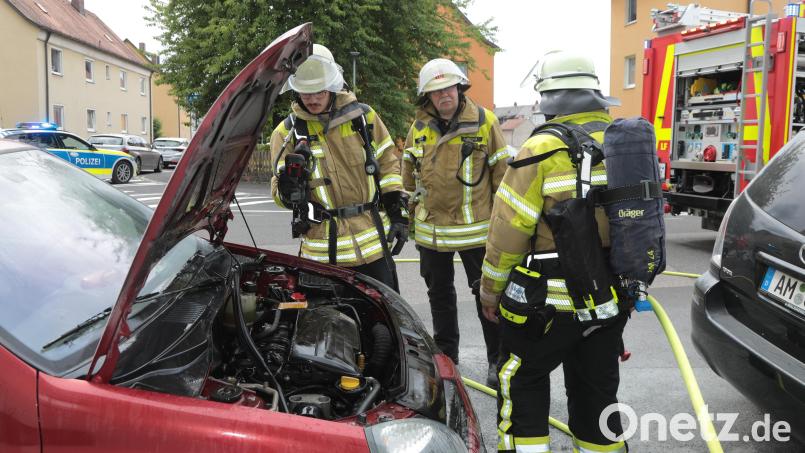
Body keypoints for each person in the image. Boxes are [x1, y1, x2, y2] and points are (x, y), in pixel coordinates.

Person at [479, 50, 628, 452]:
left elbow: (508, 232)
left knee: (522, 382)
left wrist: (490, 294)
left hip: (547, 306)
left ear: (547, 97)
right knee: (598, 395)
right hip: (610, 300)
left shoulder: (540, 148)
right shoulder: (622, 142)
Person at [402, 58, 508, 388]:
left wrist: (503, 226)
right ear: (427, 96)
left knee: (487, 297)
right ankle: (447, 357)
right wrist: (406, 217)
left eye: (448, 87)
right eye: (436, 91)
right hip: (432, 233)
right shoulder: (418, 128)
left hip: (477, 232)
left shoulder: (484, 122)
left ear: (460, 88)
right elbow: (407, 177)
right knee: (440, 297)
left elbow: (502, 176)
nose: (444, 94)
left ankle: (497, 359)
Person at [270, 44, 408, 290]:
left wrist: (398, 213)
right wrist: (288, 189)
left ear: (332, 85)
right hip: (321, 256)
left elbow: (388, 164)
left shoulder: (364, 118)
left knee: (384, 313)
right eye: (306, 92)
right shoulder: (286, 133)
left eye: (319, 91)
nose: (312, 99)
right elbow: (279, 196)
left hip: (373, 249)